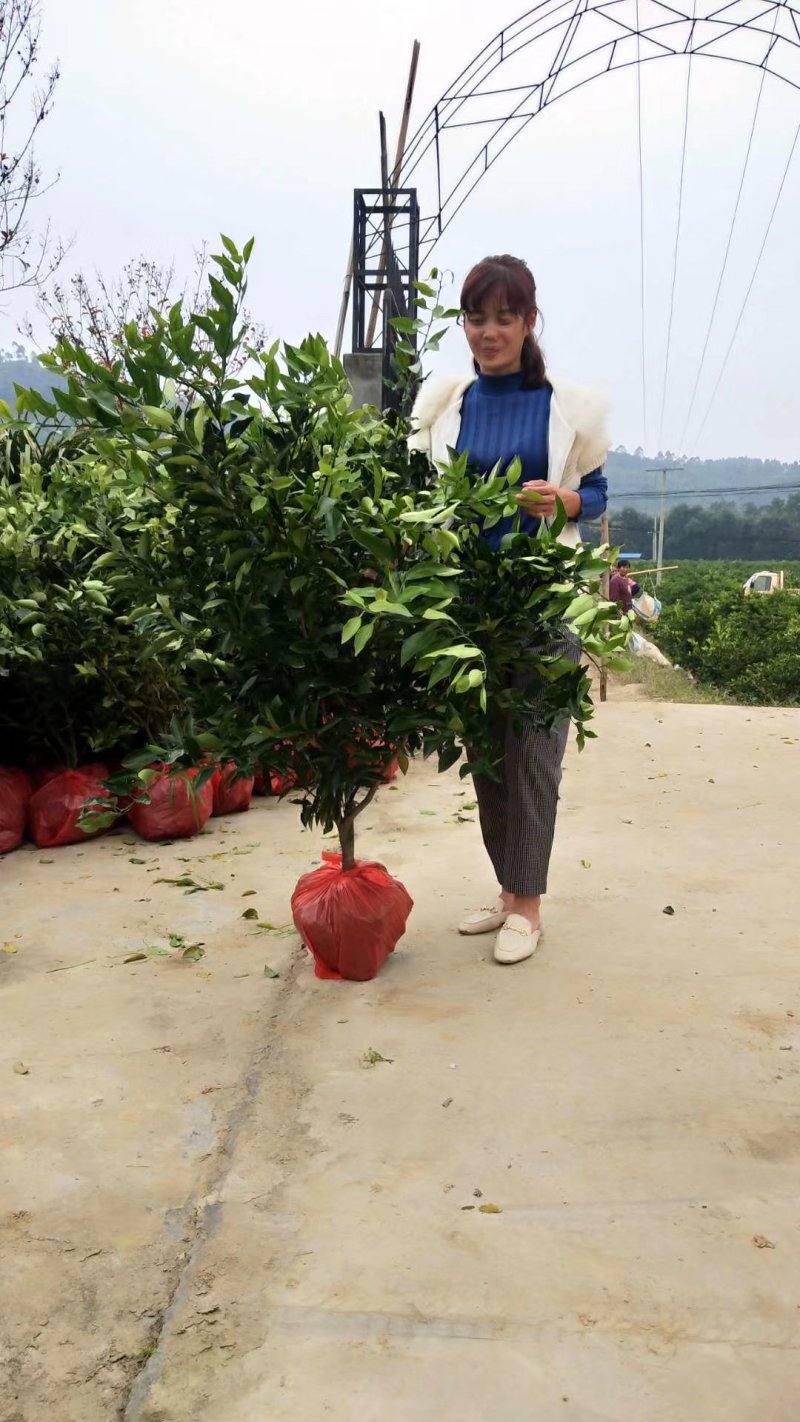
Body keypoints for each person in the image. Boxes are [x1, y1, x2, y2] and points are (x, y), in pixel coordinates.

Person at [408, 254, 609, 966]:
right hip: (471, 605)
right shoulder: (448, 406)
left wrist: (567, 500)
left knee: (534, 755)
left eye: (503, 317)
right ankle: (507, 889)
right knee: (486, 753)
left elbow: (599, 492)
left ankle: (529, 905)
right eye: (476, 317)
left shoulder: (564, 406)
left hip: (541, 600)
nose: (488, 332)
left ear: (528, 322)